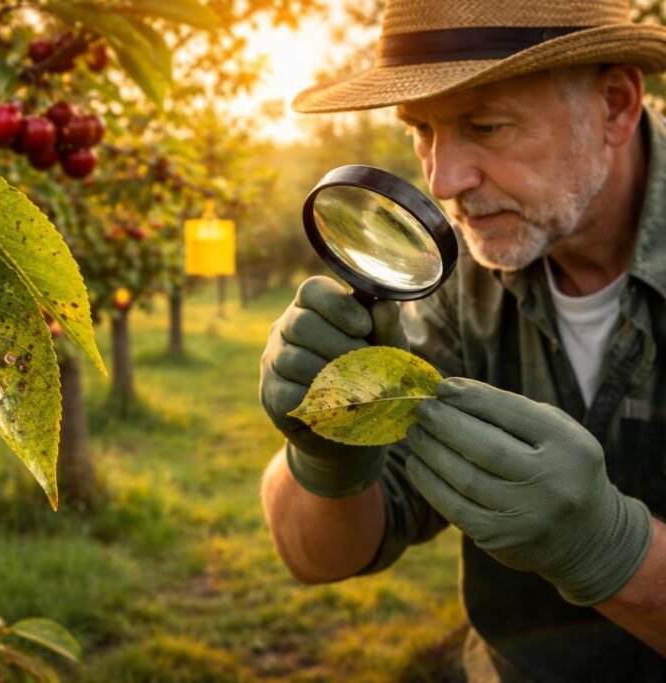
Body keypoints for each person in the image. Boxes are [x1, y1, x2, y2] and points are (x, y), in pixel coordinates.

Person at [259, 1, 666, 680]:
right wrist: (325, 460)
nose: (444, 182)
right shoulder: (459, 281)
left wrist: (615, 552)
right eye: (421, 129)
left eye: (486, 125)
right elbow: (318, 558)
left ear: (616, 106)